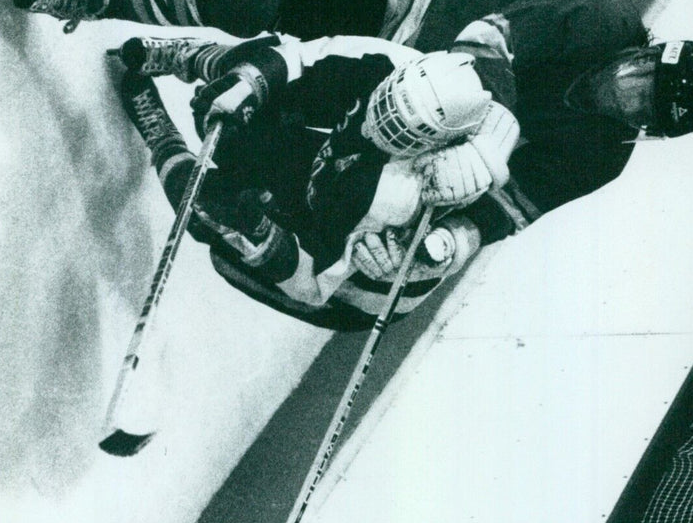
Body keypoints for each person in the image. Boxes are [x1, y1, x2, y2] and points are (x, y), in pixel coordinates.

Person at [0, 0, 693, 219]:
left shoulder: (603, 155)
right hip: (418, 3)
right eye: (642, 72)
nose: (629, 88)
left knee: (275, 119)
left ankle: (186, 59)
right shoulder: (603, 19)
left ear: (649, 126)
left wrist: (448, 240)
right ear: (642, 49)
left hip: (397, 98)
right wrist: (497, 124)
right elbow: (490, 40)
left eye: (645, 104)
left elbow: (505, 210)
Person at [111, 32, 521, 331]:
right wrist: (248, 85)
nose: (380, 125)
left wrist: (262, 235)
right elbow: (298, 58)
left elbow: (312, 283)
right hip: (337, 183)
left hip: (349, 287)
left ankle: (163, 141)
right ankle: (193, 56)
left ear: (433, 145)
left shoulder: (395, 196)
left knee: (212, 218)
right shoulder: (387, 60)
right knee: (256, 74)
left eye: (401, 132)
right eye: (388, 106)